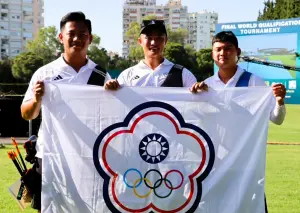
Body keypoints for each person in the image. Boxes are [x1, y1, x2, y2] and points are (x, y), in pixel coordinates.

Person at [20, 11, 110, 212]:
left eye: (83, 34)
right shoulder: (45, 73)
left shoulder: (100, 75)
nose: (77, 38)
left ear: (90, 38)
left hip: (89, 157)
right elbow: (27, 114)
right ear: (61, 37)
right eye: (72, 33)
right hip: (52, 157)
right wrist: (36, 99)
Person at [193, 31, 286, 125]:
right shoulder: (207, 85)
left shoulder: (254, 82)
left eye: (227, 49)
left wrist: (280, 101)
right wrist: (196, 99)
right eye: (218, 49)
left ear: (238, 52)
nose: (222, 53)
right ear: (212, 54)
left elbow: (277, 120)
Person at [104, 19, 207, 92]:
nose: (153, 42)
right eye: (149, 38)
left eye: (159, 38)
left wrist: (201, 92)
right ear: (140, 41)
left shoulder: (184, 75)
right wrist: (111, 89)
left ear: (165, 41)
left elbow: (197, 107)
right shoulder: (127, 76)